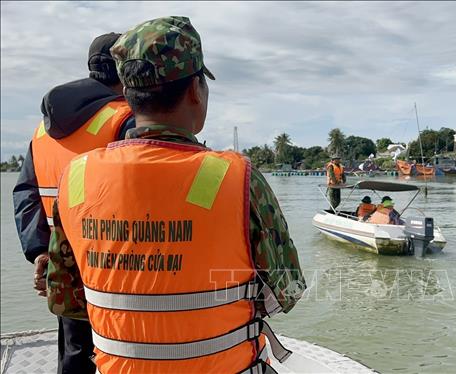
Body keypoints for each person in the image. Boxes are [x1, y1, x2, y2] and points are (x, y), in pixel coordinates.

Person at [46, 16, 306, 373]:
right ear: (195, 90)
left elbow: (64, 298)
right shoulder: (237, 177)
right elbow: (287, 291)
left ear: (128, 94)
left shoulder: (75, 177)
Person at [12, 32, 135, 374]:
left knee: (74, 357)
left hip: (63, 267)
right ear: (127, 70)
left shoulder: (43, 130)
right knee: (122, 357)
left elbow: (25, 193)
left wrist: (40, 252)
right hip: (113, 269)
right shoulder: (125, 120)